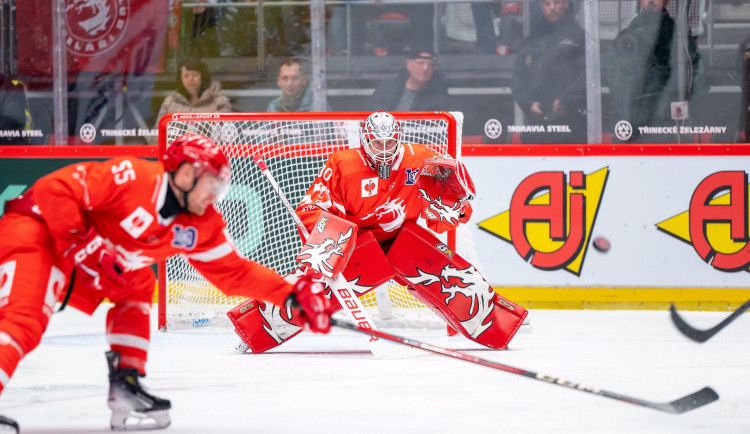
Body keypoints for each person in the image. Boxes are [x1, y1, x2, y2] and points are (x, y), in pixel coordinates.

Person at [0, 134, 330, 431]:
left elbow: (235, 273)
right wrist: (85, 245)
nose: (214, 196)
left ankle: (126, 383)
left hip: (87, 259)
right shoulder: (133, 177)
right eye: (211, 185)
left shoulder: (202, 224)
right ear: (186, 174)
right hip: (40, 232)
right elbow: (52, 190)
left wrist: (290, 295)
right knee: (23, 322)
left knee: (138, 282)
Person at [228, 110, 528, 354]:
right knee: (309, 295)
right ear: (364, 142)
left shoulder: (421, 160)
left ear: (399, 140)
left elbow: (449, 213)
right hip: (358, 244)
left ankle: (498, 326)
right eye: (377, 144)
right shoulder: (342, 164)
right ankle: (254, 329)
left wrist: (454, 208)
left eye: (389, 144)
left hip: (404, 241)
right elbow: (310, 209)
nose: (384, 151)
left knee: (457, 279)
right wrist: (336, 238)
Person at [604, 0, 708, 143]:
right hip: (632, 130)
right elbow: (617, 86)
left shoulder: (680, 37)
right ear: (639, 2)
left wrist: (672, 111)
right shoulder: (626, 39)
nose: (651, 1)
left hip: (668, 131)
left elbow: (699, 81)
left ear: (666, 1)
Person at [510, 0, 586, 144]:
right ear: (541, 7)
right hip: (536, 126)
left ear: (566, 4)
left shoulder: (580, 38)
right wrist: (528, 104)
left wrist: (565, 101)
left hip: (570, 124)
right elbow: (517, 78)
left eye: (556, 2)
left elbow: (586, 76)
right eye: (547, 3)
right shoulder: (531, 41)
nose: (552, 8)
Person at [365, 46, 450, 111]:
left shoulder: (438, 94)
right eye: (420, 63)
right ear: (409, 65)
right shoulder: (387, 87)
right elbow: (368, 113)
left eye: (430, 64)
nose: (425, 68)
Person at [154, 58, 232, 127]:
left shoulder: (219, 100)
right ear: (180, 79)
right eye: (186, 76)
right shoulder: (170, 101)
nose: (190, 79)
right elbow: (158, 132)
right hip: (176, 143)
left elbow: (227, 133)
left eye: (195, 74)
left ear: (203, 77)